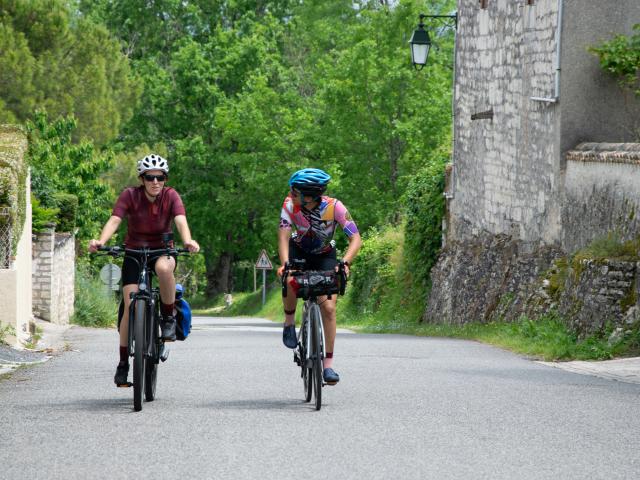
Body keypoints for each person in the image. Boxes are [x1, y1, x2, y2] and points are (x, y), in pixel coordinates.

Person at [88, 154, 199, 387]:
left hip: (162, 250)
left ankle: (168, 317)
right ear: (142, 178)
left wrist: (188, 240)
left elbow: (180, 221)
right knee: (130, 306)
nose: (155, 182)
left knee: (163, 268)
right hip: (134, 253)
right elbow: (115, 220)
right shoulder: (130, 195)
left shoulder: (171, 196)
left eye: (160, 177)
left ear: (165, 179)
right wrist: (100, 240)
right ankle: (122, 364)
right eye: (150, 177)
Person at [277, 168, 362, 385]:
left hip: (325, 255)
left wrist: (345, 263)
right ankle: (288, 323)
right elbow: (284, 236)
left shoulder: (335, 207)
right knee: (290, 280)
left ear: (309, 196)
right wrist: (285, 263)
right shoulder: (289, 205)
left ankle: (328, 366)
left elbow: (355, 238)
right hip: (298, 252)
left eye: (294, 192)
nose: (290, 194)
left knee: (330, 308)